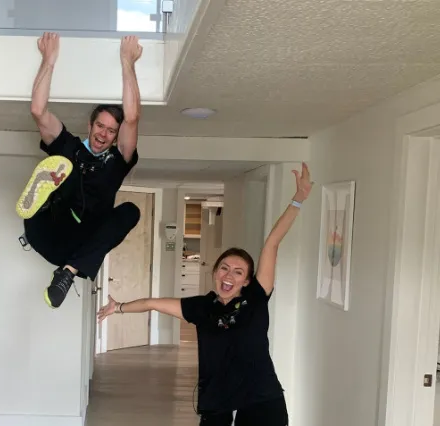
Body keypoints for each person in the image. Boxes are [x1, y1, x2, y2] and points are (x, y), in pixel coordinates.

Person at [97, 163, 313, 426]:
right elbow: (152, 303)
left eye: (237, 272)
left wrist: (298, 200)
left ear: (246, 280)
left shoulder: (255, 298)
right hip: (217, 402)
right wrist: (117, 307)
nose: (229, 276)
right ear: (215, 272)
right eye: (224, 268)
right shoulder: (201, 308)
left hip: (262, 399)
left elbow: (272, 242)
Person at [16, 32, 144, 309]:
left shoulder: (118, 160)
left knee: (130, 211)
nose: (104, 134)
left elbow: (132, 118)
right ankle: (38, 203)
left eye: (111, 131)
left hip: (77, 244)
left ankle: (68, 274)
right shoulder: (70, 146)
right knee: (69, 165)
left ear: (115, 137)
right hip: (48, 230)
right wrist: (48, 59)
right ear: (90, 125)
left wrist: (127, 63)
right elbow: (38, 110)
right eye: (100, 126)